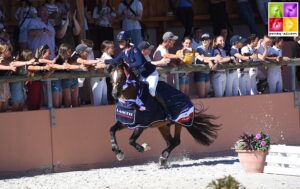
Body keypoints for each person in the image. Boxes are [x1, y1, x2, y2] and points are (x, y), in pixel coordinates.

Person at [100, 31, 169, 114]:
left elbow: (139, 62)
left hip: (150, 74)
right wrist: (103, 61)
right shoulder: (123, 52)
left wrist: (127, 64)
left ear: (128, 41)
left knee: (151, 92)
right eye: (119, 41)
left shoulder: (134, 49)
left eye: (122, 41)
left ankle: (166, 110)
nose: (120, 43)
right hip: (141, 75)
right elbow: (115, 60)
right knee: (137, 91)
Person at [195, 33, 220, 98]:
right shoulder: (199, 48)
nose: (204, 41)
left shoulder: (210, 49)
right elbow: (203, 58)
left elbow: (216, 58)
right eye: (203, 39)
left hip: (207, 73)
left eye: (206, 39)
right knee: (202, 96)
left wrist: (215, 61)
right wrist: (211, 59)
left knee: (206, 95)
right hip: (200, 73)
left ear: (210, 40)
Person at [0, 44, 16, 112]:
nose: (9, 51)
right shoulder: (1, 59)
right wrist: (9, 67)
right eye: (8, 50)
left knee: (5, 107)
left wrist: (27, 62)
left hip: (5, 84)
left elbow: (14, 63)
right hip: (0, 86)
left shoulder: (7, 60)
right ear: (3, 51)